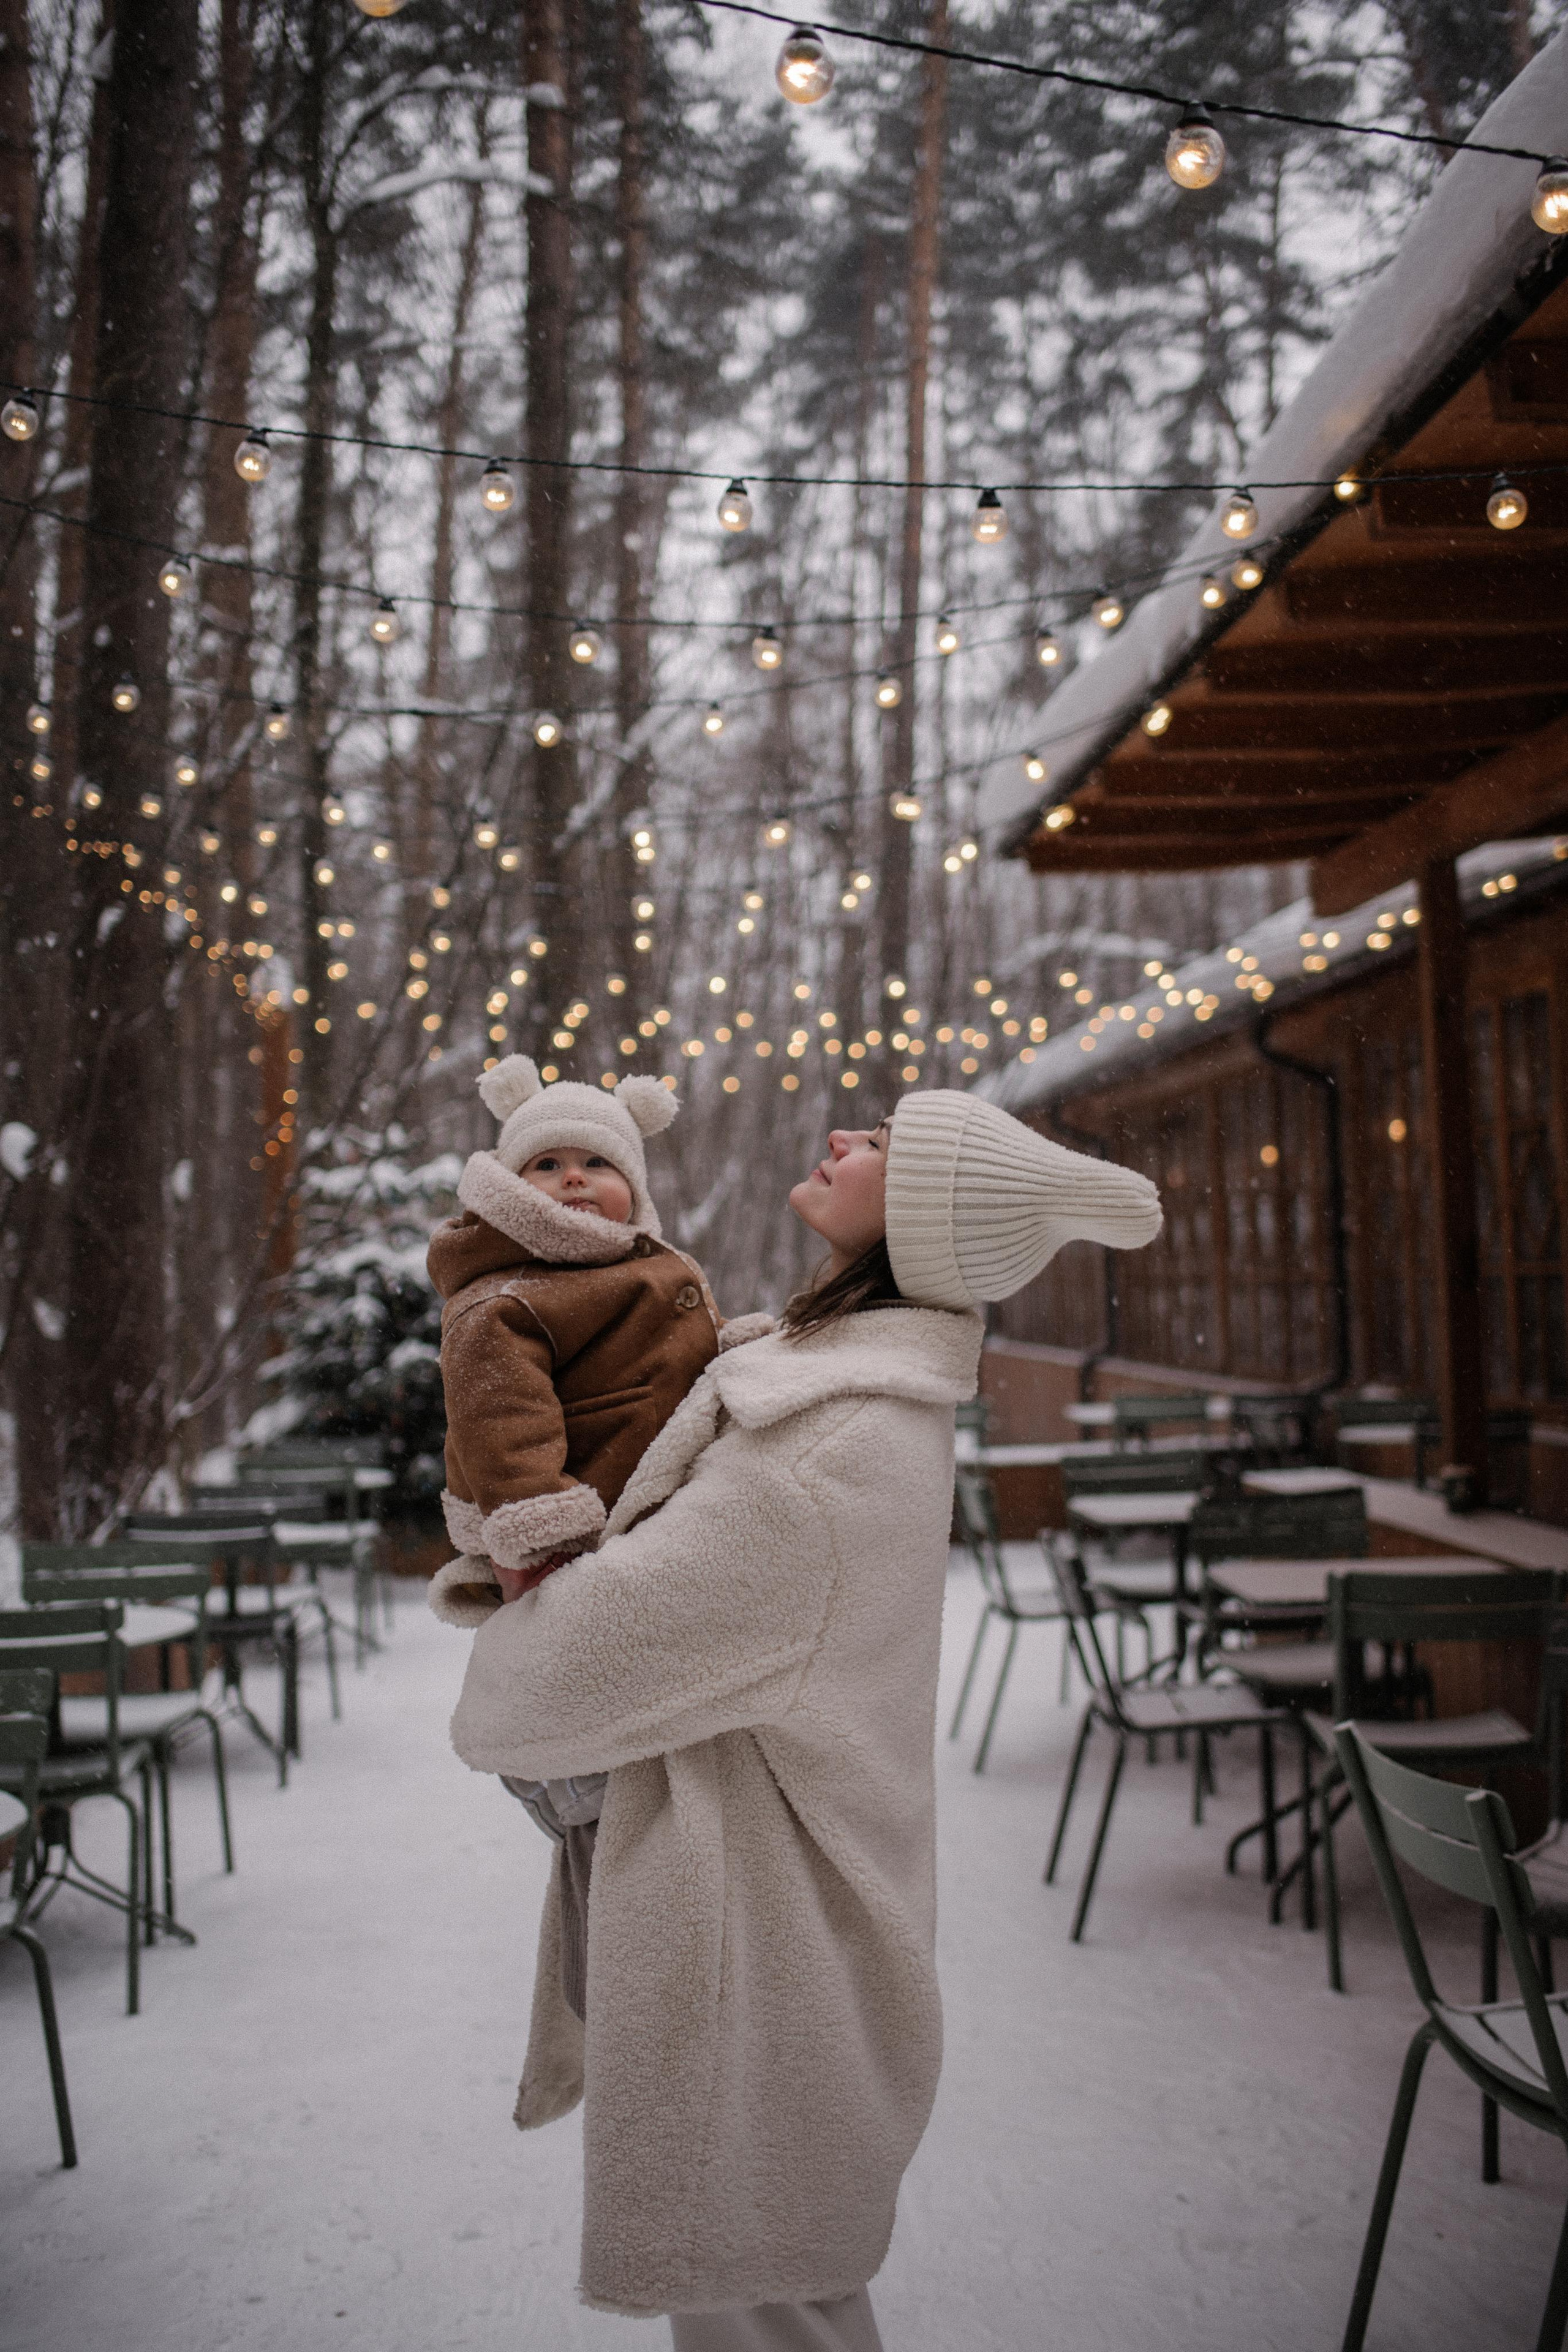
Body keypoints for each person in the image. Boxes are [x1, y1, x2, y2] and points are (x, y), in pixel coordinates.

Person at [443, 1088, 1161, 2350]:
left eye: (882, 1143)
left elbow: (570, 1672)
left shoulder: (832, 1446)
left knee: (769, 2308)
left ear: (924, 1220)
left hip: (773, 1955)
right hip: (755, 1934)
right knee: (758, 2297)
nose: (841, 1138)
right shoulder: (799, 1369)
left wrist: (513, 1638)